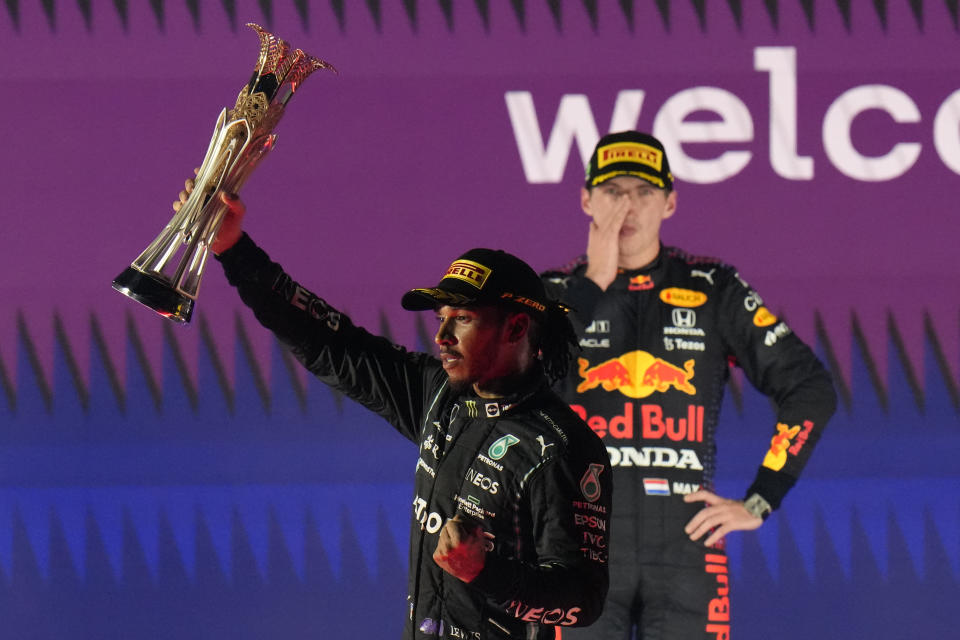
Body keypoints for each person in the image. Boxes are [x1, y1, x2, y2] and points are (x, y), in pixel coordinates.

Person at [174, 184, 613, 639]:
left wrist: (484, 571)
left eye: (461, 318)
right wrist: (234, 249)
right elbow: (330, 342)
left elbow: (583, 600)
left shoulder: (560, 448)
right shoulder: (439, 395)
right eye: (440, 316)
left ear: (516, 327)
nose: (442, 335)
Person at [541, 131, 837, 640]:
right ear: (586, 199)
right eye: (613, 192)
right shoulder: (551, 294)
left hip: (686, 553)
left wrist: (761, 499)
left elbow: (810, 387)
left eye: (644, 192)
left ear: (670, 202)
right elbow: (507, 389)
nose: (628, 207)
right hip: (577, 549)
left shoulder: (713, 288)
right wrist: (594, 284)